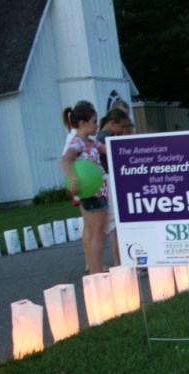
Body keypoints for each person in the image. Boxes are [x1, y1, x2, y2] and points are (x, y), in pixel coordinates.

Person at [61, 101, 109, 276]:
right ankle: (96, 274)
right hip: (92, 194)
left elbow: (110, 149)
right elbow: (66, 160)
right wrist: (73, 179)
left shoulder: (92, 142)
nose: (97, 125)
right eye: (94, 122)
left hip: (100, 193)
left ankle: (96, 272)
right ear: (82, 123)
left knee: (98, 234)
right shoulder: (78, 143)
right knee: (97, 234)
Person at [95, 108, 130, 268]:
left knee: (116, 224)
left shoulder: (107, 137)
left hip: (110, 180)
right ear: (112, 123)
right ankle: (119, 262)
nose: (123, 130)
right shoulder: (103, 139)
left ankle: (120, 261)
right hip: (108, 181)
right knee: (115, 224)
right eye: (121, 126)